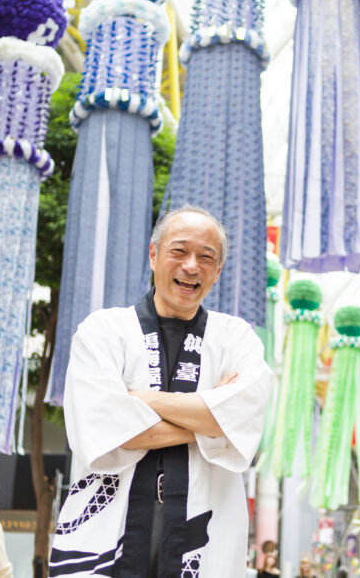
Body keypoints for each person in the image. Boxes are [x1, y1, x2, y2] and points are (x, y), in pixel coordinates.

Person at [49, 206, 272, 576]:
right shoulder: (102, 332)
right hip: (106, 535)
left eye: (206, 257)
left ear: (218, 272)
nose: (191, 266)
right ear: (153, 255)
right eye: (179, 251)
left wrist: (137, 401)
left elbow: (247, 421)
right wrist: (212, 423)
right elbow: (99, 430)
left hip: (205, 538)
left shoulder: (237, 339)